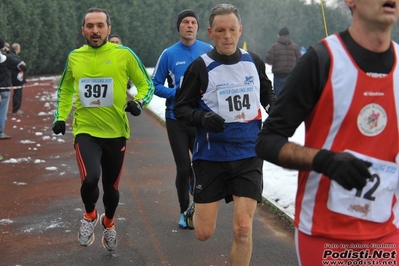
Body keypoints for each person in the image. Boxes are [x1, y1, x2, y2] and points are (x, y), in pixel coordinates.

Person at [255, 0, 399, 265]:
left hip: (388, 231)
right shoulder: (321, 59)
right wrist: (325, 161)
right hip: (325, 234)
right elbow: (267, 141)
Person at [173, 4, 275, 265]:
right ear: (210, 33)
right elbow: (181, 108)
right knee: (203, 234)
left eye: (232, 30)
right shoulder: (200, 67)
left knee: (243, 229)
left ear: (240, 30)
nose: (227, 36)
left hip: (249, 153)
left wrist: (273, 104)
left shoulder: (253, 61)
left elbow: (266, 91)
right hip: (211, 156)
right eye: (221, 30)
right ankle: (196, 206)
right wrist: (203, 117)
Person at [52, 7, 154, 251]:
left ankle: (108, 222)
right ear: (83, 30)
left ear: (109, 29)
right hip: (86, 131)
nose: (95, 31)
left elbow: (145, 84)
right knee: (89, 180)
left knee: (111, 190)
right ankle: (89, 215)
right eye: (90, 26)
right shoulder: (75, 57)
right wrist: (60, 117)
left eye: (100, 26)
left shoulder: (124, 54)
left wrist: (139, 103)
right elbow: (65, 89)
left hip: (116, 132)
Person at [151, 9, 212, 229]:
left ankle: (199, 207)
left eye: (193, 22)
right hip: (176, 118)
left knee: (200, 166)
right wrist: (177, 93)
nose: (189, 25)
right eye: (185, 22)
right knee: (184, 167)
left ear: (198, 27)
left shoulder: (208, 51)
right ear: (179, 27)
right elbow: (154, 84)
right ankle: (184, 211)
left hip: (200, 118)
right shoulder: (168, 54)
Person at [0, 38, 26, 140]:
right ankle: (0, 132)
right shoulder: (7, 58)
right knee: (2, 112)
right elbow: (22, 66)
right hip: (4, 88)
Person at [265, 27, 301, 97]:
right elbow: (300, 61)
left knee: (278, 98)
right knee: (290, 97)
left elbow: (269, 60)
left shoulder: (274, 47)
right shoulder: (295, 47)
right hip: (292, 76)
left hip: (278, 76)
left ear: (279, 35)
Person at [11, 43, 27, 115]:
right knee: (18, 94)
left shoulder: (14, 56)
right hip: (17, 78)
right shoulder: (15, 57)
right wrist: (24, 65)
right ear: (17, 49)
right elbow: (22, 67)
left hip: (16, 77)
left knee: (17, 93)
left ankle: (16, 109)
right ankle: (16, 109)